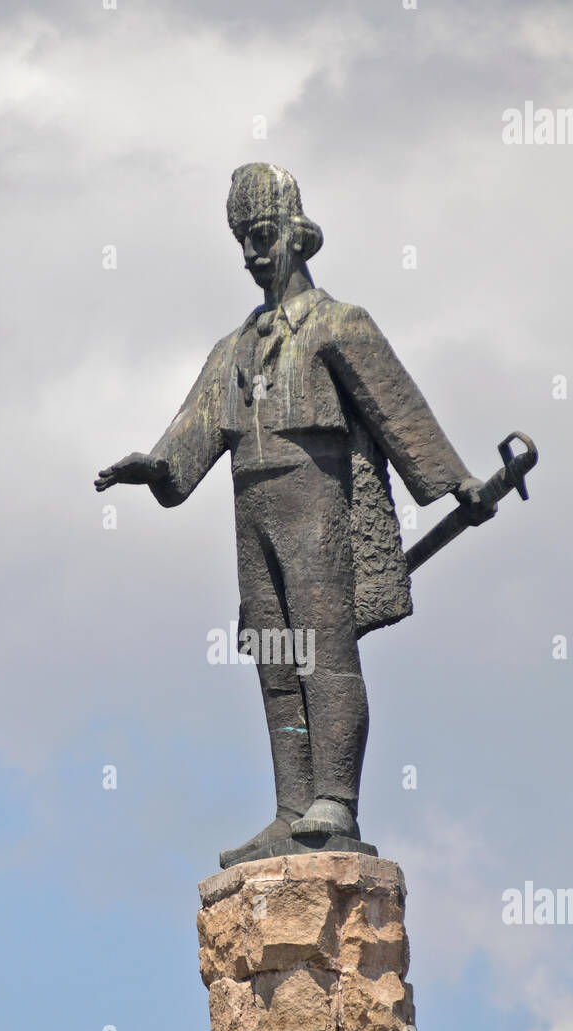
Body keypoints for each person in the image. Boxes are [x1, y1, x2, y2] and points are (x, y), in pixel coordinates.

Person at [95, 163, 495, 868]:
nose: (252, 255)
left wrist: (454, 480)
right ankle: (289, 809)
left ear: (297, 236)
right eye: (241, 242)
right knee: (276, 657)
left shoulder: (339, 324)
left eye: (261, 236)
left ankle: (333, 800)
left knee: (322, 650)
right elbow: (190, 439)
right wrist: (153, 469)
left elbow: (396, 406)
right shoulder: (233, 349)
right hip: (252, 506)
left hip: (316, 499)